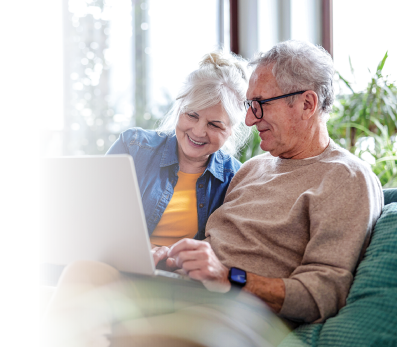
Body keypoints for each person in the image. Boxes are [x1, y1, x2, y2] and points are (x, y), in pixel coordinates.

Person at [39, 41, 383, 346]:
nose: (249, 120)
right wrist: (177, 257)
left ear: (307, 103)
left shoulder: (346, 177)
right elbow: (213, 245)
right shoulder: (254, 169)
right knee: (85, 272)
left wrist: (229, 277)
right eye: (249, 105)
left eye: (260, 105)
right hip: (183, 290)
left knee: (93, 327)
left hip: (239, 315)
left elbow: (324, 292)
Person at [38, 51, 252, 285]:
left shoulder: (234, 178)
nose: (199, 131)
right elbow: (92, 222)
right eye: (192, 115)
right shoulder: (134, 147)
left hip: (167, 283)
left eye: (214, 125)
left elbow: (219, 256)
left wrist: (170, 260)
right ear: (179, 108)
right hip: (103, 270)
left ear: (231, 129)